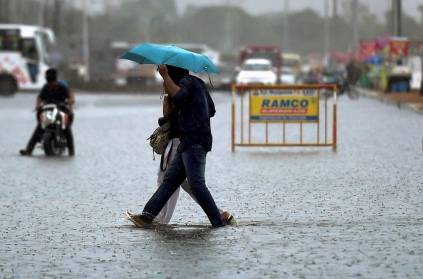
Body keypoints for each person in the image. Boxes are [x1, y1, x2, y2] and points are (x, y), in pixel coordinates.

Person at [126, 65, 231, 228]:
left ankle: (218, 220)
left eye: (168, 73)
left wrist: (165, 76)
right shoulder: (195, 85)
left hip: (195, 141)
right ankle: (147, 216)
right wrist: (183, 103)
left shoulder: (188, 82)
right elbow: (210, 110)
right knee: (169, 181)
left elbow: (181, 95)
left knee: (196, 184)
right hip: (187, 141)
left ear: (173, 72)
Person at [19, 68, 75, 156]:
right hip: (48, 110)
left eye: (52, 83)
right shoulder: (46, 87)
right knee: (39, 128)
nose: (51, 85)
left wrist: (70, 101)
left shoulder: (62, 87)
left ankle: (71, 152)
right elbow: (40, 97)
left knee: (67, 129)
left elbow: (70, 96)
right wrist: (38, 105)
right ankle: (28, 150)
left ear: (55, 79)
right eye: (49, 83)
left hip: (61, 109)